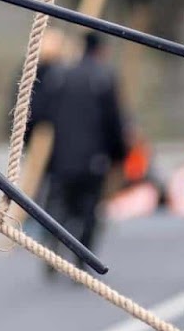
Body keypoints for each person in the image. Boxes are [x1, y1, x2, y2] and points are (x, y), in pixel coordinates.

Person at [34, 32, 129, 276]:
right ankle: (80, 259)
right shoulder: (103, 78)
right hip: (93, 159)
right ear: (101, 50)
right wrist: (119, 154)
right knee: (88, 211)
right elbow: (114, 122)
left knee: (58, 207)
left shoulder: (61, 76)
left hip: (61, 157)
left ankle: (52, 248)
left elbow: (40, 114)